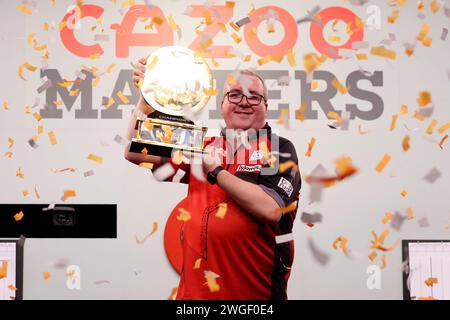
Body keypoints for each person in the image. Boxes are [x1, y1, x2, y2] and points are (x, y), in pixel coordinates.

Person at [124, 57, 301, 300]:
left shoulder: (279, 148)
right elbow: (134, 152)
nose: (244, 102)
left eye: (254, 96)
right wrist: (146, 99)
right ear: (222, 104)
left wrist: (213, 169)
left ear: (265, 106)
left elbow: (271, 209)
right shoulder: (202, 143)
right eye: (235, 94)